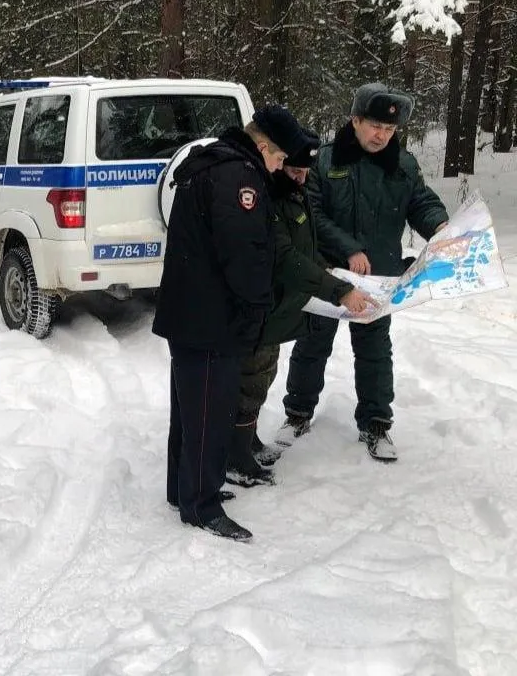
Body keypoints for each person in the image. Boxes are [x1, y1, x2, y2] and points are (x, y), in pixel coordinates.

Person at [153, 104, 313, 542]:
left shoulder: (213, 164)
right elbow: (244, 256)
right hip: (211, 318)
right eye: (279, 158)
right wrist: (258, 307)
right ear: (263, 146)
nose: (279, 167)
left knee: (189, 413)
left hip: (191, 312)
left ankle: (183, 490)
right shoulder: (238, 178)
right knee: (209, 414)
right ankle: (201, 507)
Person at [278, 83, 449, 462]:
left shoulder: (403, 164)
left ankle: (376, 424)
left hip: (378, 278)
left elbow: (421, 202)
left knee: (374, 351)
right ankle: (297, 414)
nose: (381, 135)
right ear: (354, 120)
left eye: (389, 129)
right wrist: (348, 248)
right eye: (374, 126)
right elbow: (311, 213)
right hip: (328, 273)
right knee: (311, 345)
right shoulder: (324, 160)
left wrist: (439, 225)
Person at [225, 131, 381, 485]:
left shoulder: (293, 192)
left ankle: (247, 442)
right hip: (260, 305)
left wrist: (329, 272)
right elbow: (284, 257)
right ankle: (235, 457)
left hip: (278, 307)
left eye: (306, 172)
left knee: (262, 375)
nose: (301, 177)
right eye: (294, 170)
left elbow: (304, 248)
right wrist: (337, 290)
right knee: (249, 380)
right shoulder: (266, 197)